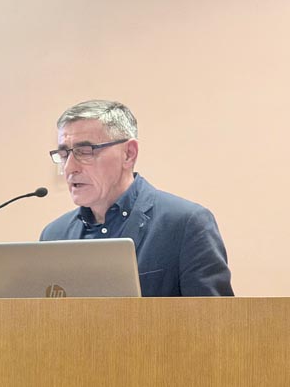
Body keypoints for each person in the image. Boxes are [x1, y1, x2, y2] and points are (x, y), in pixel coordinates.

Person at [40, 99, 233, 297]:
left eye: (84, 152)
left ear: (129, 154)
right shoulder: (54, 235)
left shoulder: (185, 224)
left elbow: (213, 316)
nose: (69, 168)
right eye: (64, 154)